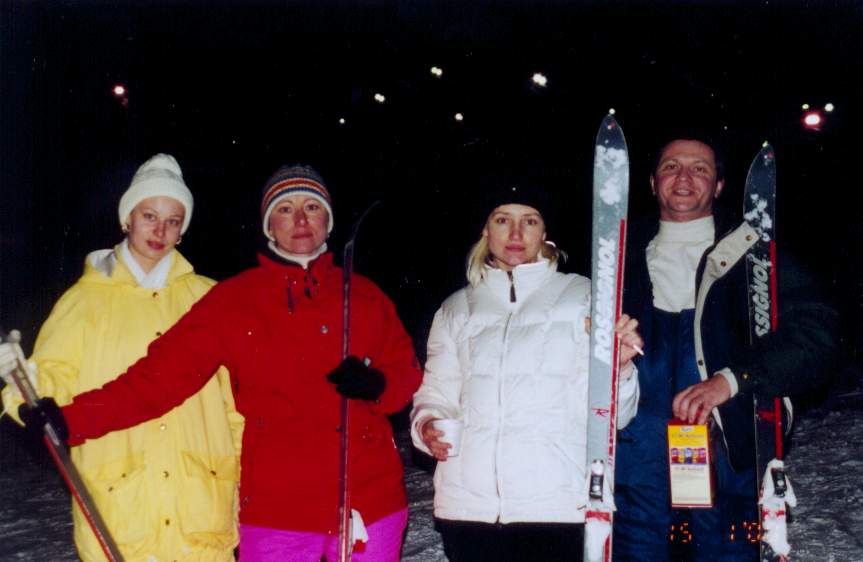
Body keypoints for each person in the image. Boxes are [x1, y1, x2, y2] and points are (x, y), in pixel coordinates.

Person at [14, 164, 423, 562]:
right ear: (268, 225)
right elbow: (157, 380)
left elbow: (405, 373)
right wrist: (70, 420)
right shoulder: (232, 301)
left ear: (328, 222)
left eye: (312, 207)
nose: (300, 219)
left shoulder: (365, 296)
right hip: (279, 513)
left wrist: (379, 385)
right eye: (285, 208)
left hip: (368, 502)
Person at [0, 153, 244, 561]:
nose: (160, 230)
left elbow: (236, 403)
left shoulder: (208, 298)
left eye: (173, 221)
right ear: (127, 218)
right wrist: (23, 384)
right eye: (149, 216)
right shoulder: (84, 301)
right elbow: (54, 378)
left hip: (201, 507)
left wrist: (245, 482)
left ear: (183, 230)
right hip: (120, 505)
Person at [613, 137, 839, 561]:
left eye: (699, 168)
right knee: (636, 546)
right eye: (670, 167)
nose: (683, 177)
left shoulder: (753, 255)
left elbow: (818, 335)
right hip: (637, 458)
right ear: (652, 182)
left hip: (727, 447)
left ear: (718, 185)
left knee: (725, 547)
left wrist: (735, 379)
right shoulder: (619, 256)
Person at [410, 179, 643, 562]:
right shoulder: (456, 308)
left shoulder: (585, 297)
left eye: (530, 221)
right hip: (469, 509)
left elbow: (615, 417)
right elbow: (436, 393)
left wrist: (620, 368)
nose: (516, 234)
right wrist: (427, 425)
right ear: (486, 229)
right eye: (503, 220)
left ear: (545, 231)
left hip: (557, 507)